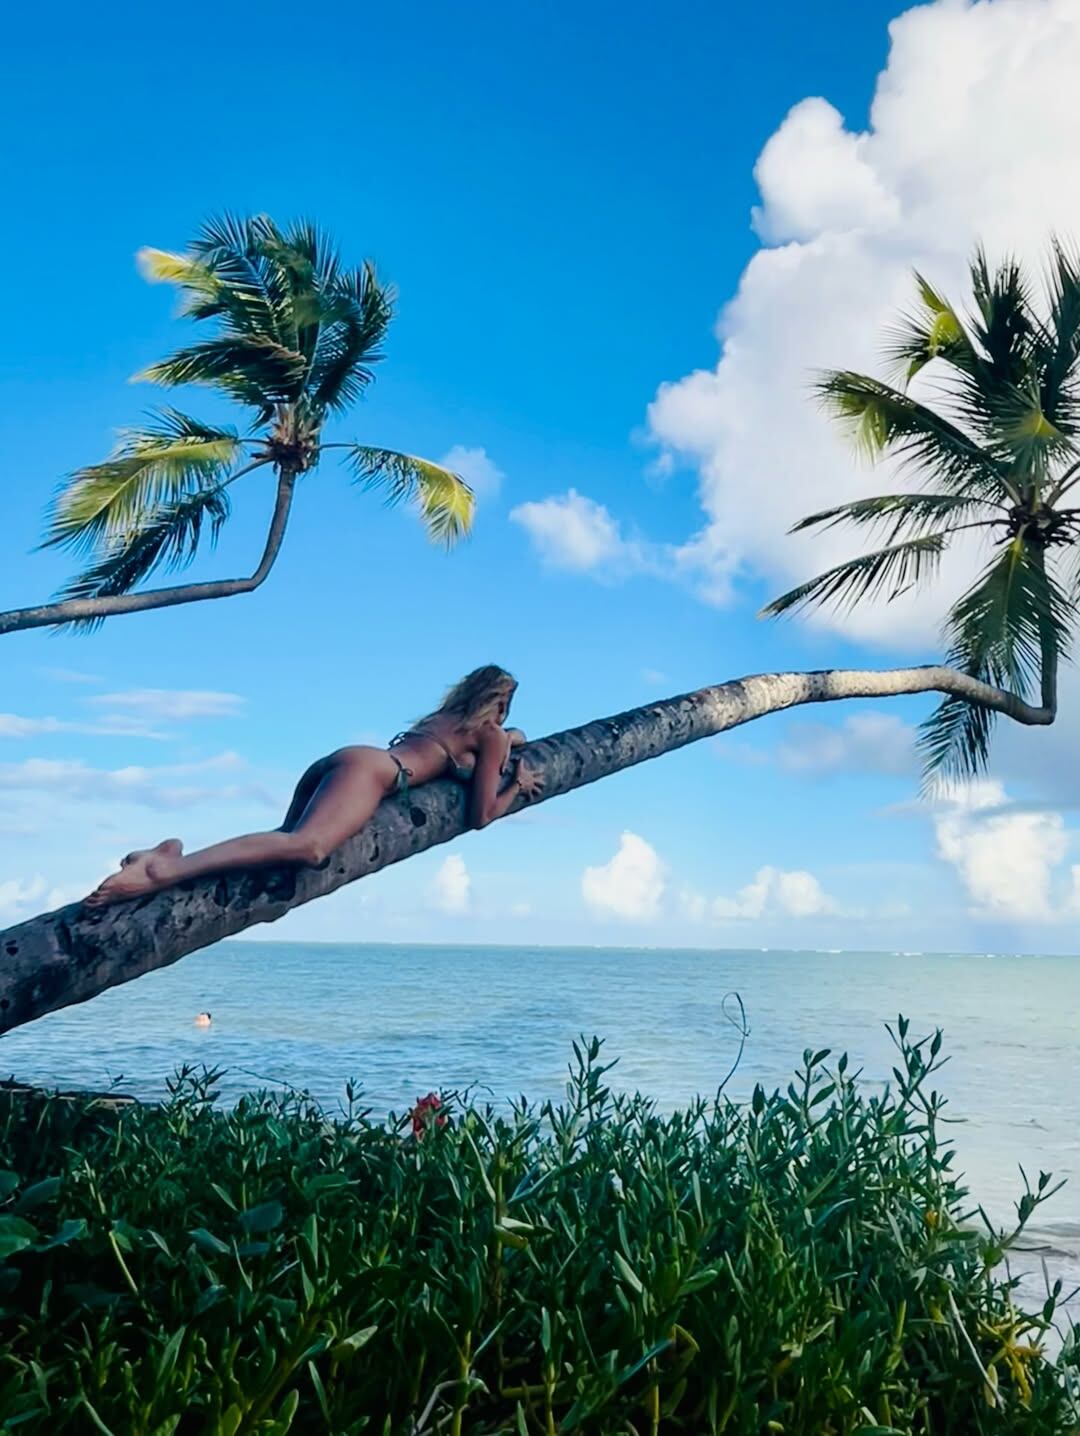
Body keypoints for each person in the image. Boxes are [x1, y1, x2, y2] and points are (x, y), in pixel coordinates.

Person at [85, 665, 541, 908]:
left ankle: (167, 857)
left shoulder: (445, 721)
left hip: (346, 759)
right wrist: (516, 786)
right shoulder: (489, 735)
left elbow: (466, 756)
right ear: (498, 702)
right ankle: (164, 869)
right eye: (505, 705)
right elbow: (480, 815)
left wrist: (510, 741)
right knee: (309, 848)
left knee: (278, 848)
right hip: (373, 774)